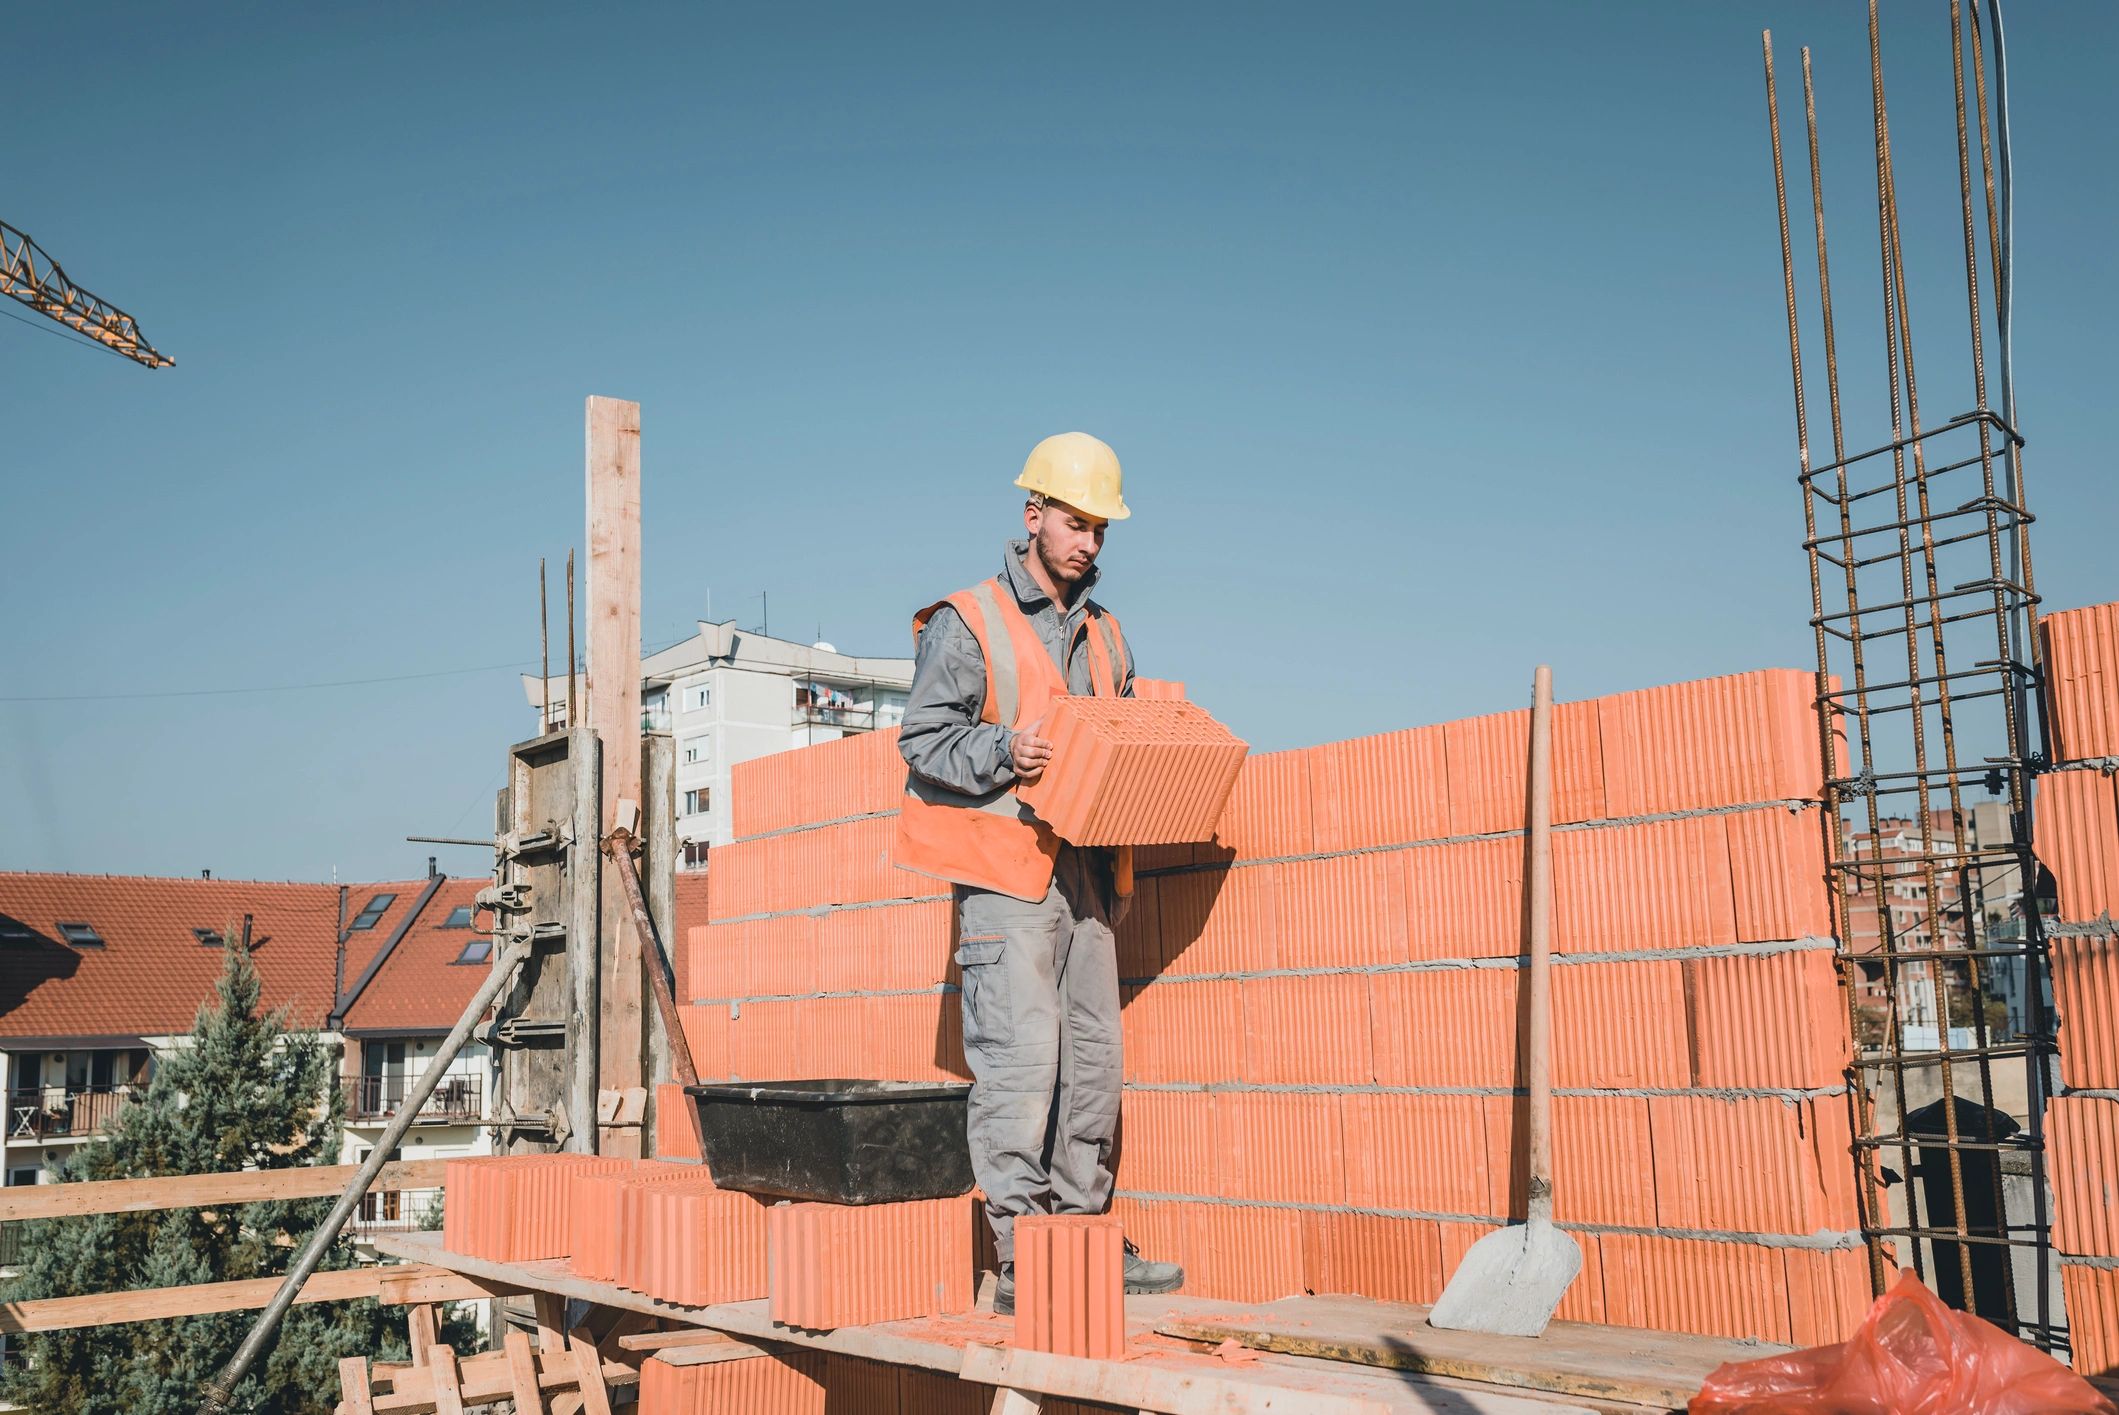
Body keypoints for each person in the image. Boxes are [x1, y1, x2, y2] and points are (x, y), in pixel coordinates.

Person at [895, 431, 1185, 1315]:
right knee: (1022, 1069)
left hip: (1089, 881)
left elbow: (1116, 740)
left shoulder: (1106, 634)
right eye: (1074, 522)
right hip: (1005, 881)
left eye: (1100, 528)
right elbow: (921, 739)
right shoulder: (968, 617)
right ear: (1033, 516)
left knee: (1092, 1066)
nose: (1088, 543)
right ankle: (1023, 1259)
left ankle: (1083, 1239)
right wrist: (1002, 748)